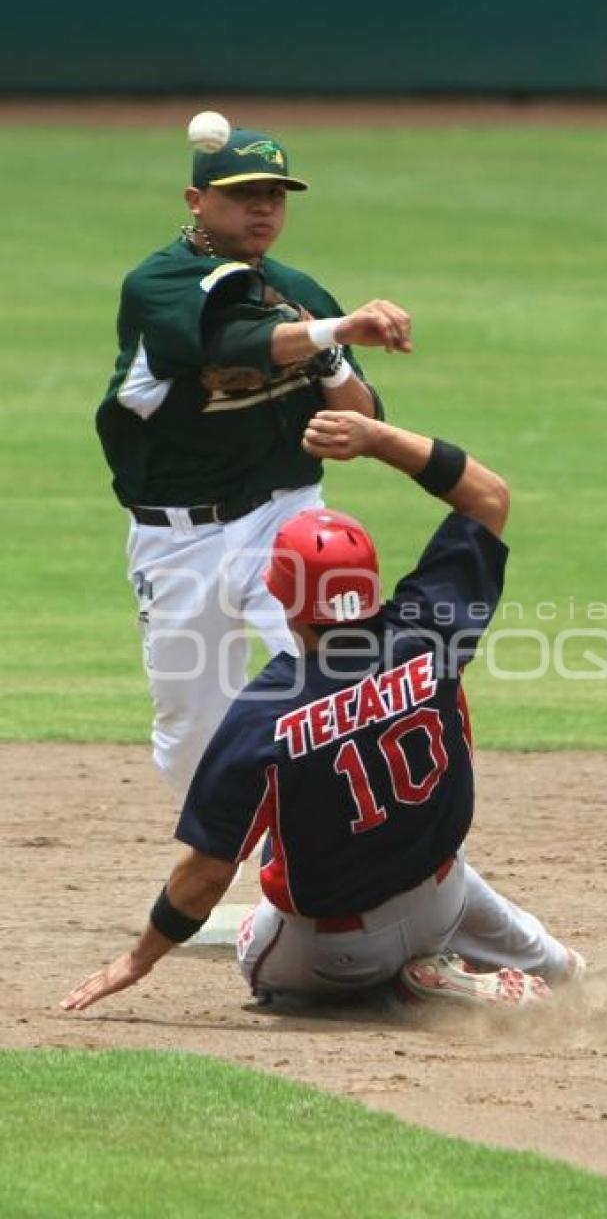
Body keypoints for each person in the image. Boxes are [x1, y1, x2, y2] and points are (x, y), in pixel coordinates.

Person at [63, 411, 585, 1014]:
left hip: (338, 951)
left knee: (259, 954)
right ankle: (531, 966)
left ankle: (407, 990)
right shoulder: (428, 630)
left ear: (282, 596)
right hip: (444, 898)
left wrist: (138, 959)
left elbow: (205, 875)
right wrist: (377, 439)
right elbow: (488, 497)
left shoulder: (264, 713)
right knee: (557, 966)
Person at [95, 121, 411, 800]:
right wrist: (333, 330)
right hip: (178, 537)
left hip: (286, 519)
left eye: (275, 194)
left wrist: (329, 354)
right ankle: (223, 861)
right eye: (243, 194)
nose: (263, 208)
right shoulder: (158, 283)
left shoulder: (300, 291)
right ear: (196, 199)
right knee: (192, 733)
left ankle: (363, 857)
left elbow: (362, 417)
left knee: (345, 685)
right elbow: (234, 339)